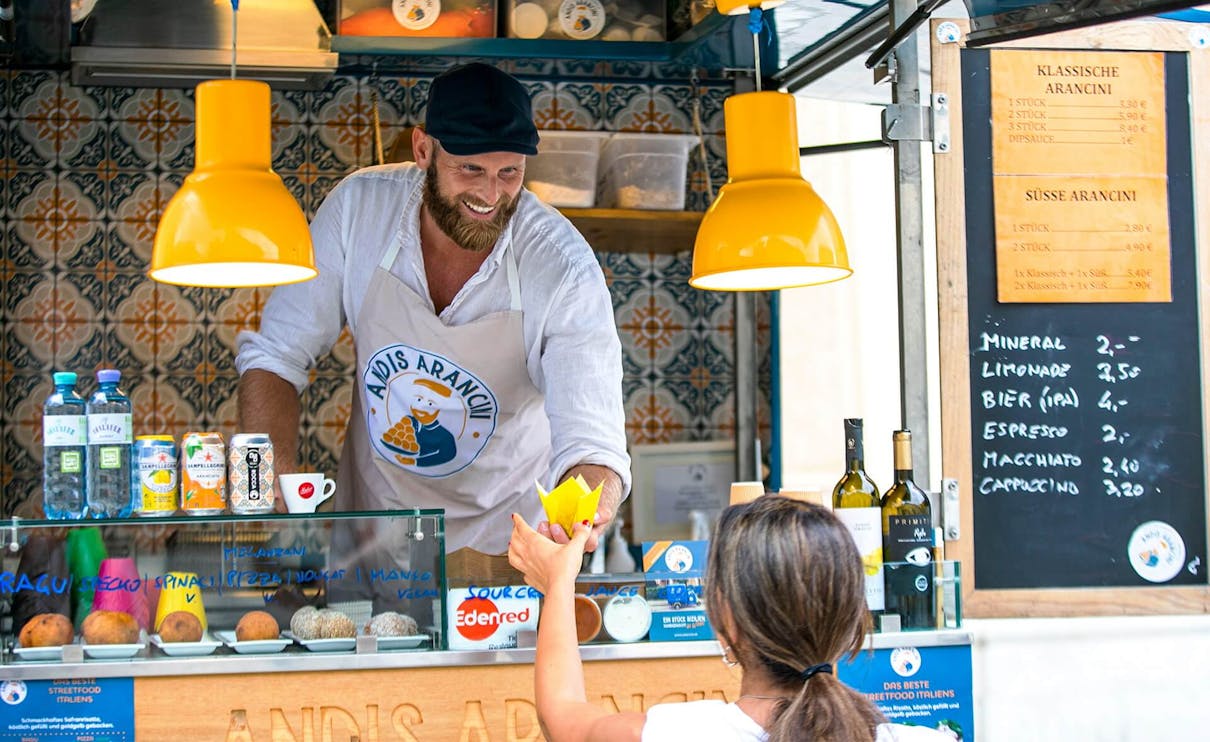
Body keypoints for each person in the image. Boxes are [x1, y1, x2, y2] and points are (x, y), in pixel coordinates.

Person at [235, 62, 630, 568]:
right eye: (470, 169)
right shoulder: (359, 212)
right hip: (370, 540)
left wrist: (586, 511)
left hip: (505, 553)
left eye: (508, 173)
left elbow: (592, 442)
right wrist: (269, 487)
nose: (490, 196)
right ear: (423, 150)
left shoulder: (561, 265)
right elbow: (275, 357)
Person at [507, 497, 953, 742]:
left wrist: (559, 581)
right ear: (853, 619)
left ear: (726, 622)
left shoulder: (674, 735)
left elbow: (561, 716)